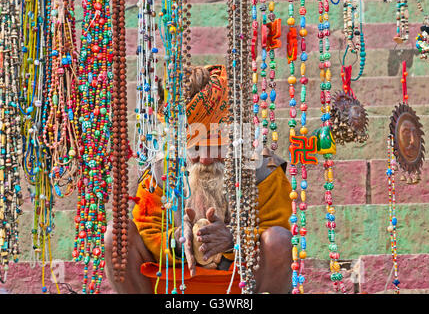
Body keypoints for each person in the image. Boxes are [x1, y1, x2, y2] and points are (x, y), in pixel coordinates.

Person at [105, 65, 293, 294]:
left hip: (243, 284)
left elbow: (278, 230)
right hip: (174, 284)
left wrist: (234, 239)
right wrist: (176, 241)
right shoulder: (162, 166)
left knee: (279, 240)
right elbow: (147, 227)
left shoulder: (262, 167)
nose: (204, 160)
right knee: (115, 236)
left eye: (215, 147)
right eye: (195, 148)